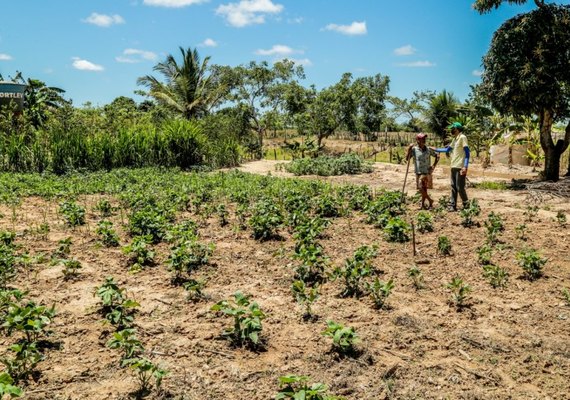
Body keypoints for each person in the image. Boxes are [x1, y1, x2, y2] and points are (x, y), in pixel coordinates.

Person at [433, 122, 470, 211]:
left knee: (460, 187)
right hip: (453, 166)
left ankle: (466, 204)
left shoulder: (462, 137)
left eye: (452, 129)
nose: (451, 130)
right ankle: (452, 205)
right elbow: (448, 149)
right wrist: (436, 149)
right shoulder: (455, 139)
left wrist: (465, 166)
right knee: (453, 187)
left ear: (456, 129)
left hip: (460, 166)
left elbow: (467, 153)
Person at [406, 133, 439, 209]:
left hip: (427, 172)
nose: (424, 140)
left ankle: (423, 205)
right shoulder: (414, 149)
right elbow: (407, 159)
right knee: (421, 188)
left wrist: (433, 165)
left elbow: (437, 156)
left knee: (424, 189)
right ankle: (430, 201)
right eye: (422, 139)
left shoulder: (428, 149)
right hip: (419, 172)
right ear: (417, 140)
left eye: (424, 139)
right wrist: (408, 149)